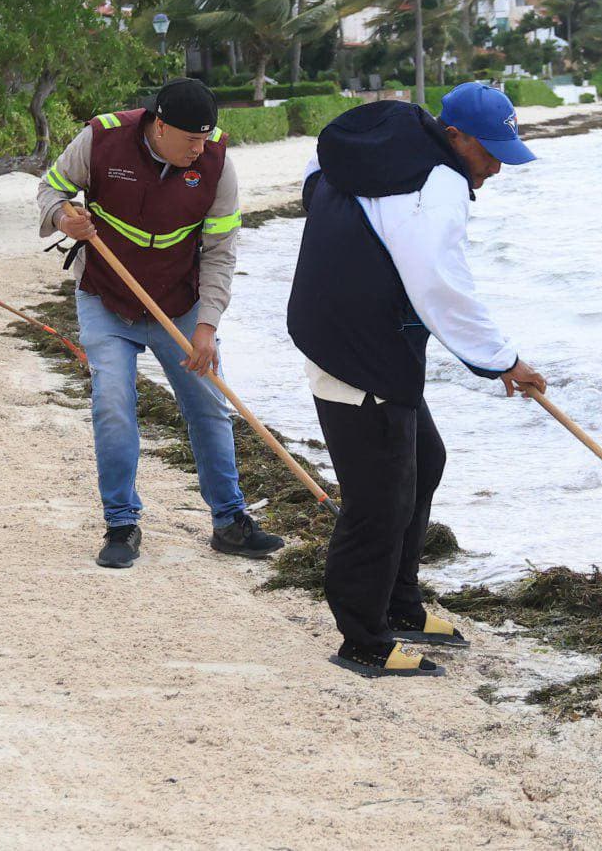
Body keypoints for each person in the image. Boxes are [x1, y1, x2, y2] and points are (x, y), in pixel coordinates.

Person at [287, 82, 548, 678]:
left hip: (347, 330)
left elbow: (314, 179)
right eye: (490, 152)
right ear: (454, 136)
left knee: (424, 462)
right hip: (357, 349)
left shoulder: (380, 148)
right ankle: (363, 638)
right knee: (379, 499)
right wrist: (502, 360)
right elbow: (438, 282)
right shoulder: (439, 183)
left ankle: (400, 605)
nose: (497, 167)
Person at [37, 78, 284, 568]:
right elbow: (51, 189)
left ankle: (229, 521)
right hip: (106, 298)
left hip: (180, 304)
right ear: (160, 125)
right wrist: (65, 219)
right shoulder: (102, 138)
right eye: (191, 139)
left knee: (209, 406)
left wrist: (207, 326)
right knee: (113, 405)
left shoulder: (217, 162)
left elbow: (220, 251)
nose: (200, 149)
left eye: (205, 138)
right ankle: (121, 524)